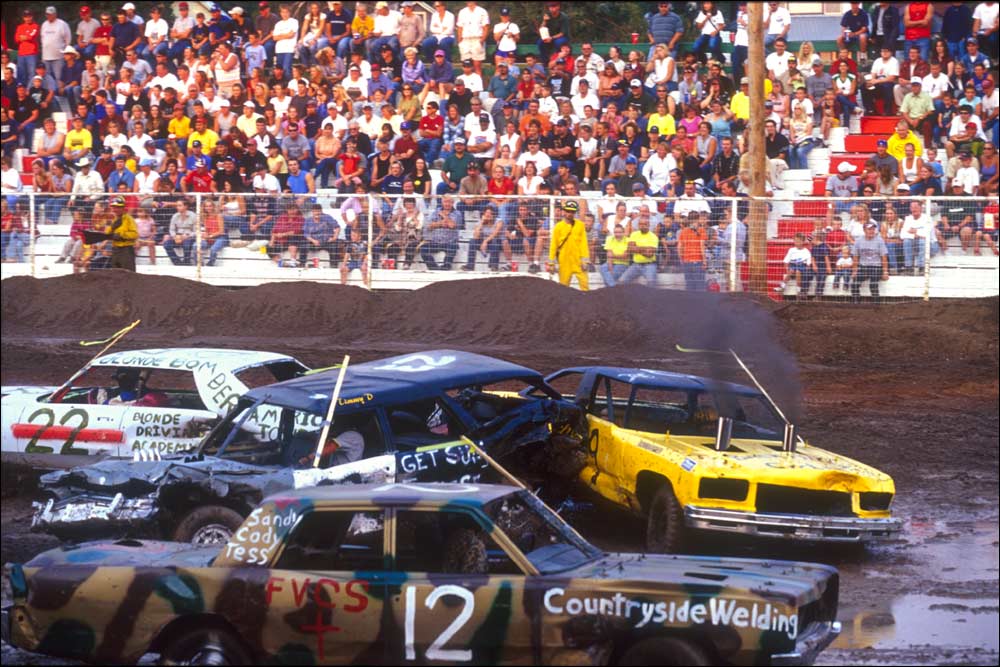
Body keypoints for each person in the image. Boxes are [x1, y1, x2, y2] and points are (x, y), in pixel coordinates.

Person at [549, 200, 589, 289]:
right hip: (564, 260)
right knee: (563, 287)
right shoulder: (558, 227)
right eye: (568, 211)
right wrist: (551, 264)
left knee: (585, 285)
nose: (570, 214)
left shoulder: (580, 225)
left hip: (578, 260)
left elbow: (584, 244)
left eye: (572, 212)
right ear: (564, 211)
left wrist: (585, 261)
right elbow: (553, 246)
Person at [851, 221, 890, 302]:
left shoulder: (879, 240)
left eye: (873, 229)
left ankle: (876, 304)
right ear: (864, 230)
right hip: (863, 267)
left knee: (873, 285)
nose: (871, 231)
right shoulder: (858, 241)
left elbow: (884, 257)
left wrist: (885, 272)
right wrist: (854, 271)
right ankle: (856, 303)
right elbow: (855, 257)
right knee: (854, 284)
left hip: (876, 267)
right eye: (869, 229)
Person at [105, 195, 138, 271]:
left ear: (123, 208)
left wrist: (121, 235)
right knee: (115, 273)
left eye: (118, 207)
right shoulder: (114, 220)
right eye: (114, 207)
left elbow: (135, 234)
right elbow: (107, 233)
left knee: (128, 274)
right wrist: (111, 229)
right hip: (115, 250)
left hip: (126, 250)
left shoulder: (129, 219)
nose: (115, 209)